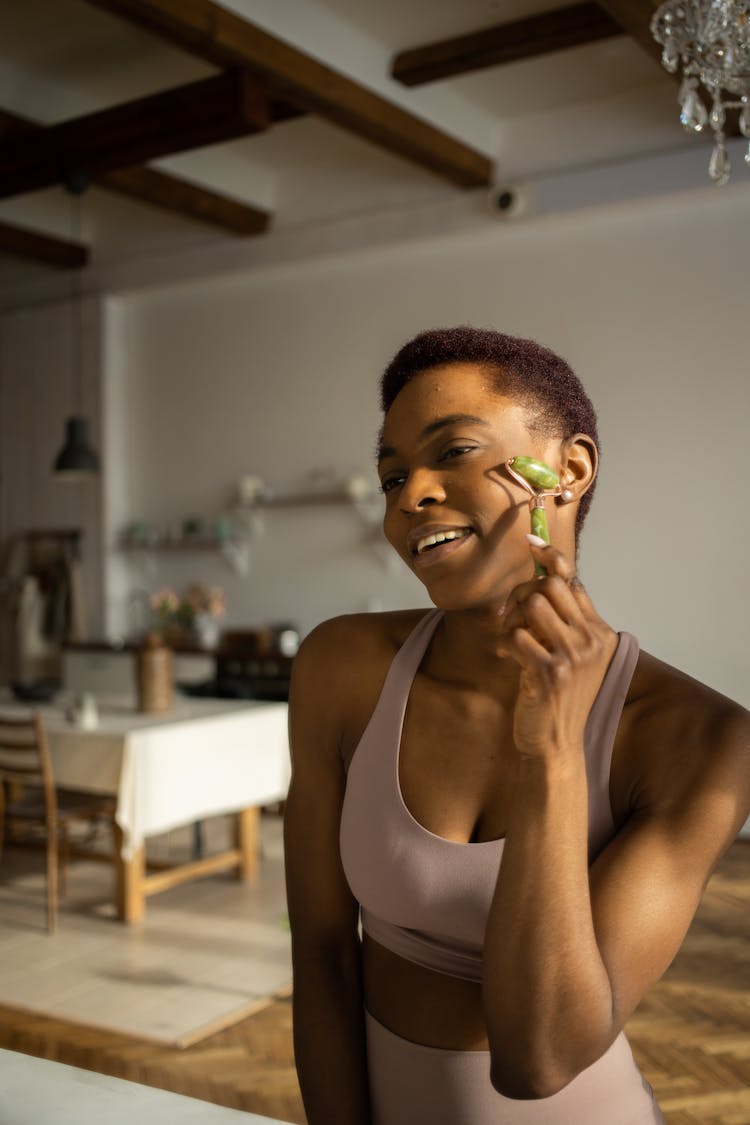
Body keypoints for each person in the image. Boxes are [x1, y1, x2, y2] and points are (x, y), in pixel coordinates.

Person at [284, 326, 750, 1125]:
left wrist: (554, 752)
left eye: (453, 451)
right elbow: (322, 956)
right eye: (393, 474)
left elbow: (539, 1057)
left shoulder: (705, 740)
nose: (409, 495)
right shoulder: (342, 666)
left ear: (568, 470)